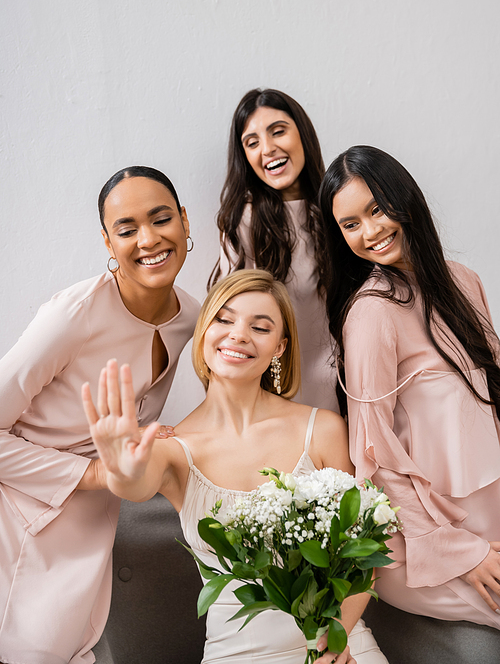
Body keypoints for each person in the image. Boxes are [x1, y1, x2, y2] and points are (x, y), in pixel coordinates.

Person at [83, 269, 388, 664]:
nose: (238, 334)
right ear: (204, 331)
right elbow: (136, 484)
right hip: (238, 654)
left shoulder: (323, 429)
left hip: (342, 647)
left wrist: (338, 635)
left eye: (259, 328)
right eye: (223, 320)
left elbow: (364, 550)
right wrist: (120, 467)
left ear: (279, 348)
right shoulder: (175, 447)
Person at [0, 166, 200, 664]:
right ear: (109, 243)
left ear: (185, 222)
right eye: (127, 229)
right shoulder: (73, 315)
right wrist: (91, 473)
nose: (148, 239)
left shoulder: (192, 318)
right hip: (21, 512)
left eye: (161, 219)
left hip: (94, 524)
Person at [318, 145, 500, 661]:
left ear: (404, 199)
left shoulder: (464, 281)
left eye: (376, 209)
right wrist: (462, 554)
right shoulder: (372, 314)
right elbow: (374, 463)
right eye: (349, 225)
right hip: (427, 547)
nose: (369, 232)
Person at [210, 88, 337, 411]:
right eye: (251, 142)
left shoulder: (337, 210)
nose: (267, 149)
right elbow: (225, 322)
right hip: (273, 391)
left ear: (303, 134)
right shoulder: (244, 221)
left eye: (278, 131)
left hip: (344, 384)